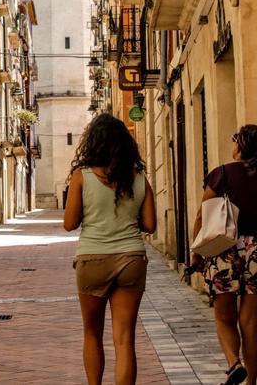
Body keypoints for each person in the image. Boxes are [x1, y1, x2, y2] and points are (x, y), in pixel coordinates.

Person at [190, 124, 257, 385]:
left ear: (239, 146)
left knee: (224, 316)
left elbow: (202, 214)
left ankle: (234, 363)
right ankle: (252, 383)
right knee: (250, 321)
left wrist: (196, 252)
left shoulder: (221, 174)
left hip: (225, 249)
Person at [63, 113, 157, 385]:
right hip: (131, 259)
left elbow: (69, 223)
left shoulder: (82, 176)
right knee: (125, 338)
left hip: (92, 259)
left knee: (92, 333)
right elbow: (150, 225)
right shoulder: (139, 178)